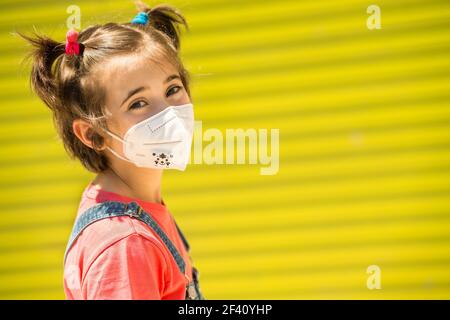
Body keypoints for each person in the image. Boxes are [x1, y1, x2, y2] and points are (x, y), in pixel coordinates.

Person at [17, 1, 204, 300]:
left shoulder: (142, 206)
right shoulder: (124, 243)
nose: (167, 113)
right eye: (138, 104)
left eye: (172, 89)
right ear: (93, 134)